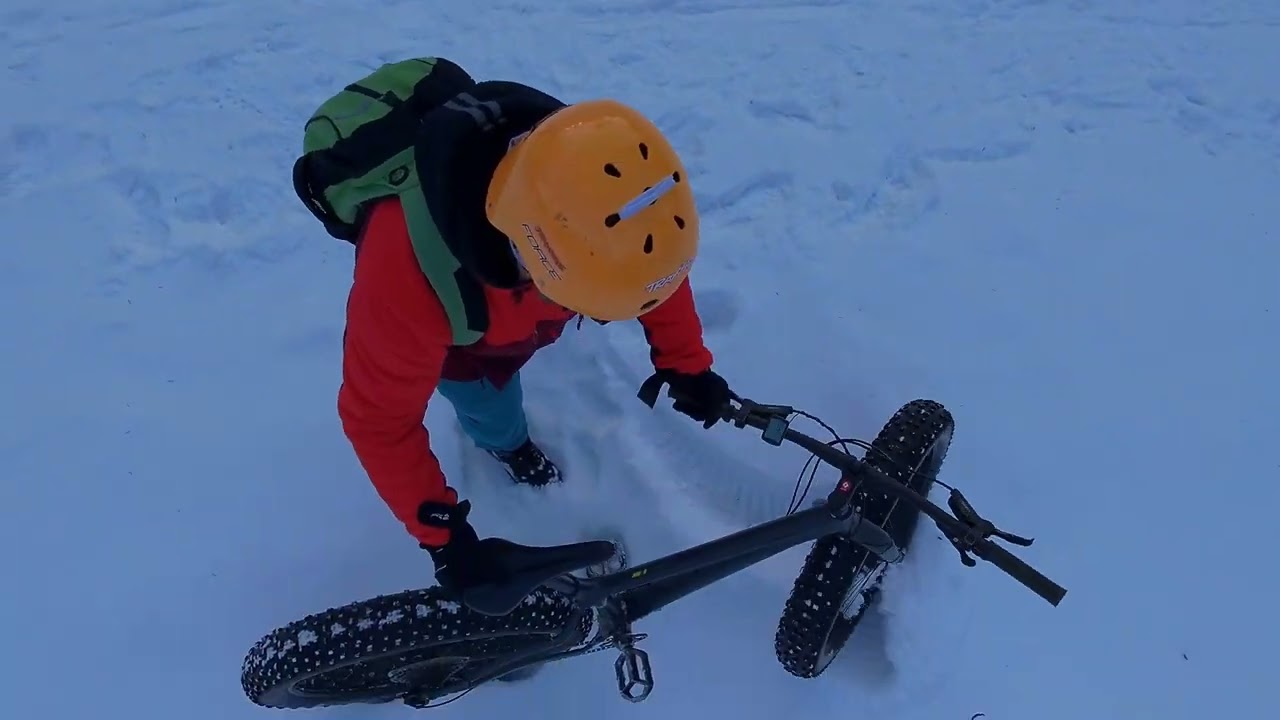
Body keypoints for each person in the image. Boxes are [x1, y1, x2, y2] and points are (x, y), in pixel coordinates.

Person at [327, 58, 735, 598]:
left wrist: (686, 364)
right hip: (472, 346)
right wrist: (444, 539)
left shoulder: (589, 183)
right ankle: (507, 445)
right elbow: (377, 420)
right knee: (489, 405)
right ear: (529, 253)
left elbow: (644, 260)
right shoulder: (405, 275)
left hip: (513, 308)